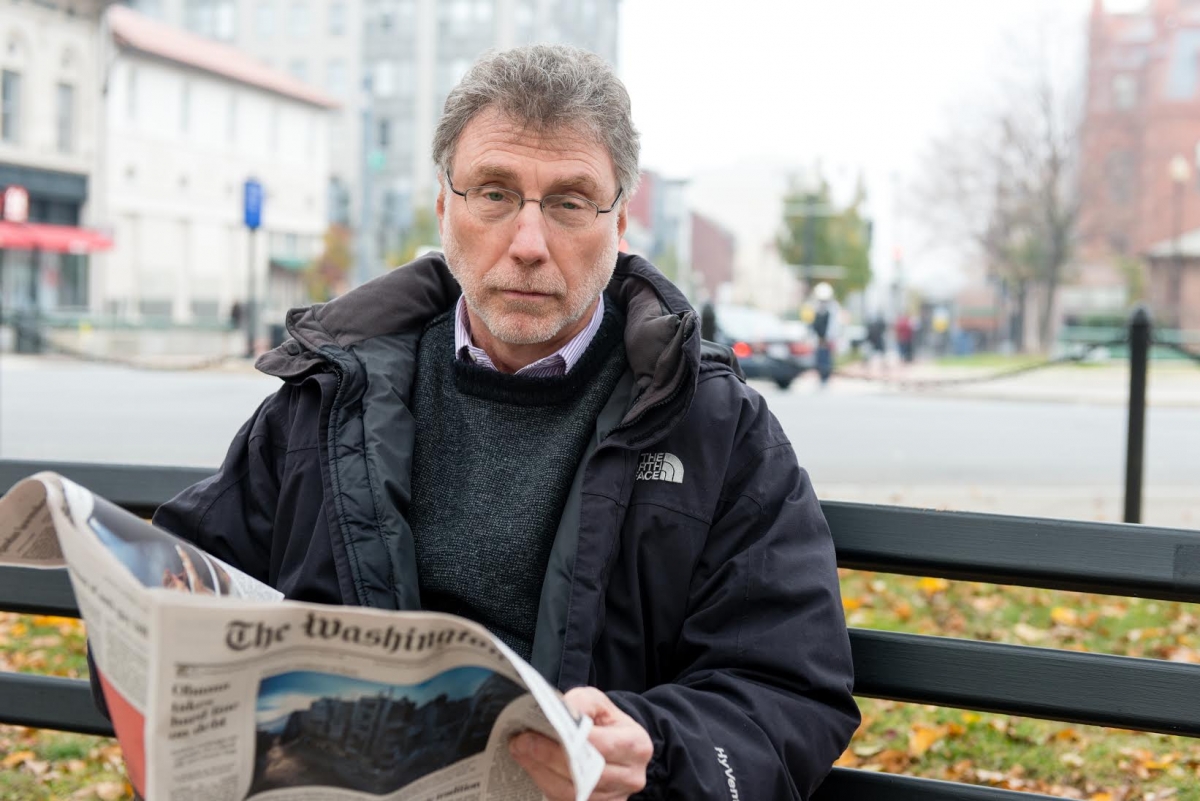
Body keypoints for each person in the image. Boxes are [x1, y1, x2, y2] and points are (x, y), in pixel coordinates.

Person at [137, 45, 858, 799]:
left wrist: (656, 746)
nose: (528, 244)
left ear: (619, 224)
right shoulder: (329, 394)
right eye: (494, 193)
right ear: (445, 207)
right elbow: (182, 590)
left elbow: (790, 689)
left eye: (572, 202)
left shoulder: (711, 423)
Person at [811, 282, 838, 385]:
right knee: (819, 358)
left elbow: (832, 325)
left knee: (826, 358)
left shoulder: (832, 309)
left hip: (826, 339)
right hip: (819, 338)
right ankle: (821, 376)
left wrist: (829, 338)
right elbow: (814, 324)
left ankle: (825, 376)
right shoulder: (816, 308)